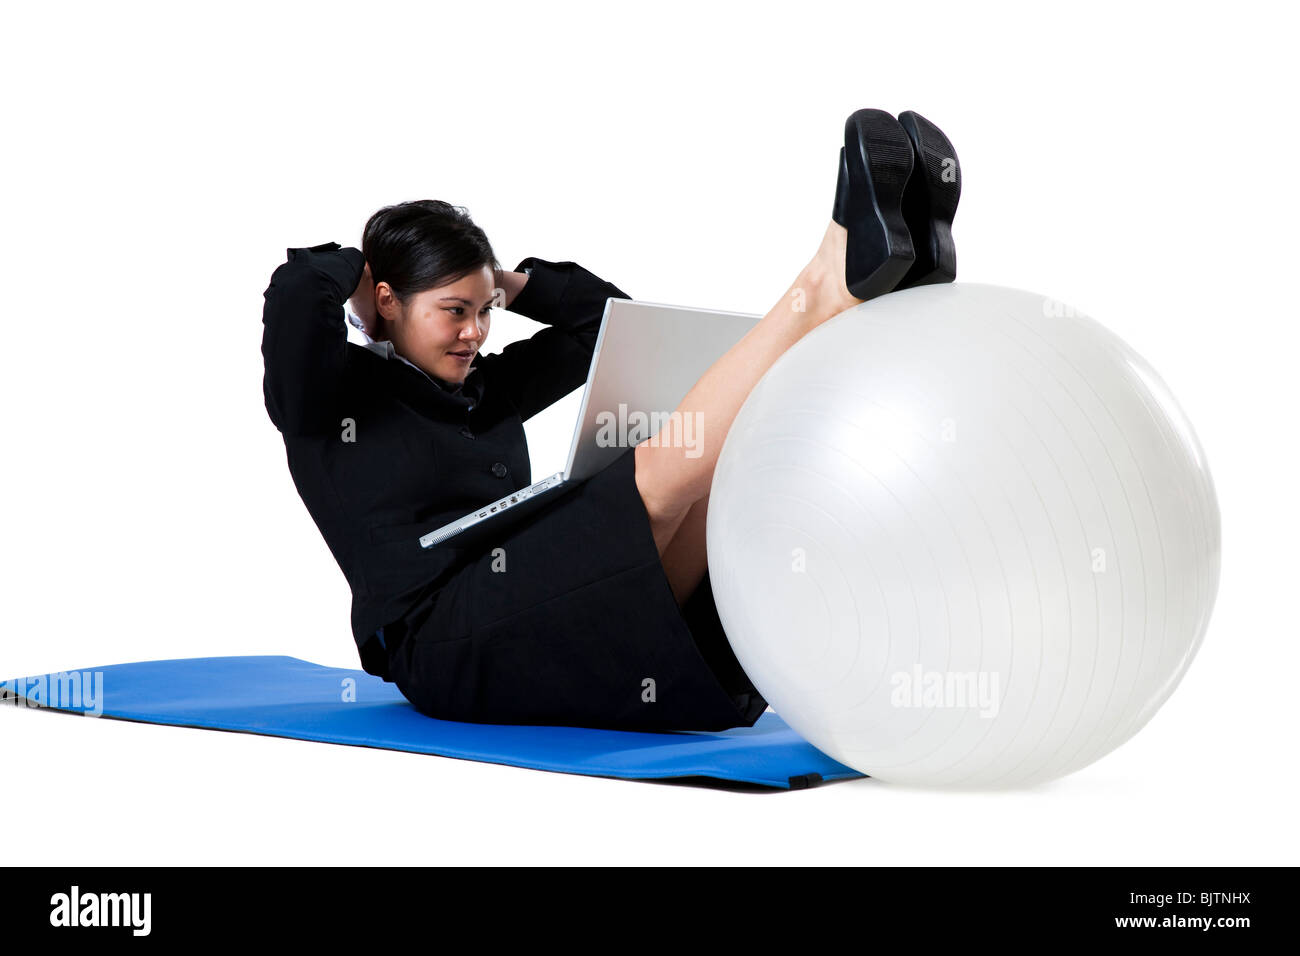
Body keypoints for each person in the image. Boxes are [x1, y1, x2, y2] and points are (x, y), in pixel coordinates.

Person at [259, 108, 960, 732]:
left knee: (717, 480)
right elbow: (295, 299)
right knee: (651, 475)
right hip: (440, 636)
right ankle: (822, 290)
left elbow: (608, 322)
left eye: (484, 312)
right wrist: (346, 268)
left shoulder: (484, 388)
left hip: (526, 597)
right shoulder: (326, 400)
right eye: (455, 311)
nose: (476, 332)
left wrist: (505, 279)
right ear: (386, 300)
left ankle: (853, 302)